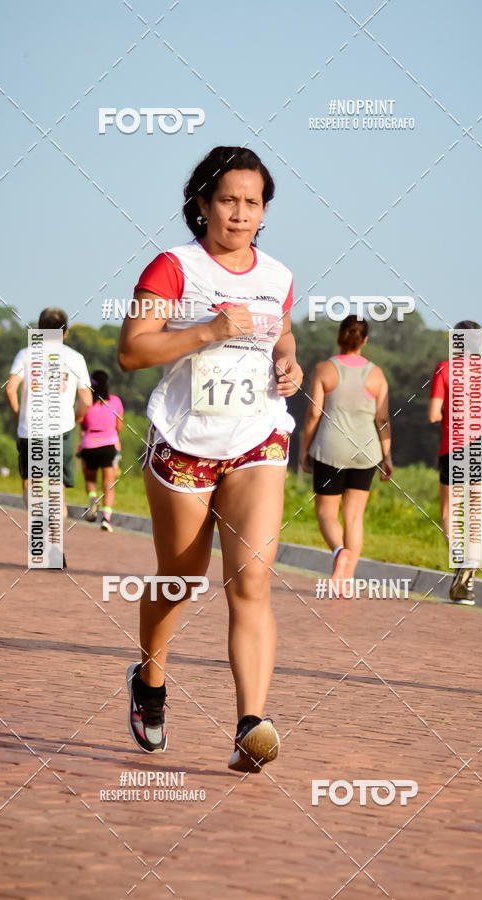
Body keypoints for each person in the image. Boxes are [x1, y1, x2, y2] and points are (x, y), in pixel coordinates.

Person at [118, 146, 302, 772]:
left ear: (264, 210)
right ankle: (150, 679)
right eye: (228, 200)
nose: (240, 213)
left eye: (253, 203)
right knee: (181, 578)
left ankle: (250, 724)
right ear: (201, 204)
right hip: (185, 443)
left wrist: (287, 362)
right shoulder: (174, 267)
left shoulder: (278, 275)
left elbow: (280, 327)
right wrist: (209, 330)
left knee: (251, 579)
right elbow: (133, 350)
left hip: (257, 439)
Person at [300, 316, 392, 594]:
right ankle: (346, 581)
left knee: (327, 513)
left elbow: (314, 413)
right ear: (365, 340)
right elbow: (383, 418)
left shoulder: (324, 369)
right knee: (354, 516)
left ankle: (340, 552)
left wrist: (304, 448)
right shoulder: (377, 375)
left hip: (330, 449)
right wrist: (387, 456)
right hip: (367, 452)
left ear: (340, 336)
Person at [428, 320, 482, 604]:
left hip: (453, 448)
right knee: (475, 517)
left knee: (450, 515)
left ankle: (461, 564)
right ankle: (468, 585)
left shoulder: (444, 368)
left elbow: (433, 415)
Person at [5, 307, 92, 522]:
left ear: (39, 329)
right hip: (62, 429)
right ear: (66, 333)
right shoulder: (76, 358)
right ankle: (55, 528)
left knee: (31, 483)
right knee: (56, 485)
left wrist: (18, 413)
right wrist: (77, 416)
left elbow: (9, 388)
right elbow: (87, 400)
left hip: (30, 428)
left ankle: (39, 521)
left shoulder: (25, 355)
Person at [78, 370, 124, 532]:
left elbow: (81, 423)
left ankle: (92, 501)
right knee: (109, 484)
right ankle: (107, 518)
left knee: (90, 480)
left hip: (89, 445)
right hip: (109, 445)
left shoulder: (87, 403)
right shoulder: (115, 402)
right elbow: (119, 426)